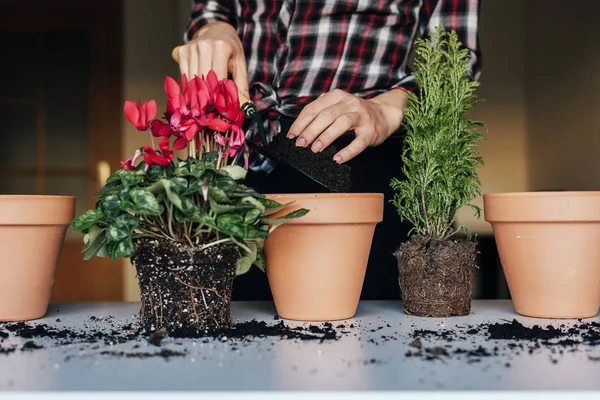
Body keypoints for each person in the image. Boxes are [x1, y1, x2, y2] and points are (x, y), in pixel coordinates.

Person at [178, 0, 482, 301]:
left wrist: (386, 109)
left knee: (366, 332)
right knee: (236, 325)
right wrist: (214, 27)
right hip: (237, 164)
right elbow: (214, 9)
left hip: (355, 165)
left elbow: (454, 61)